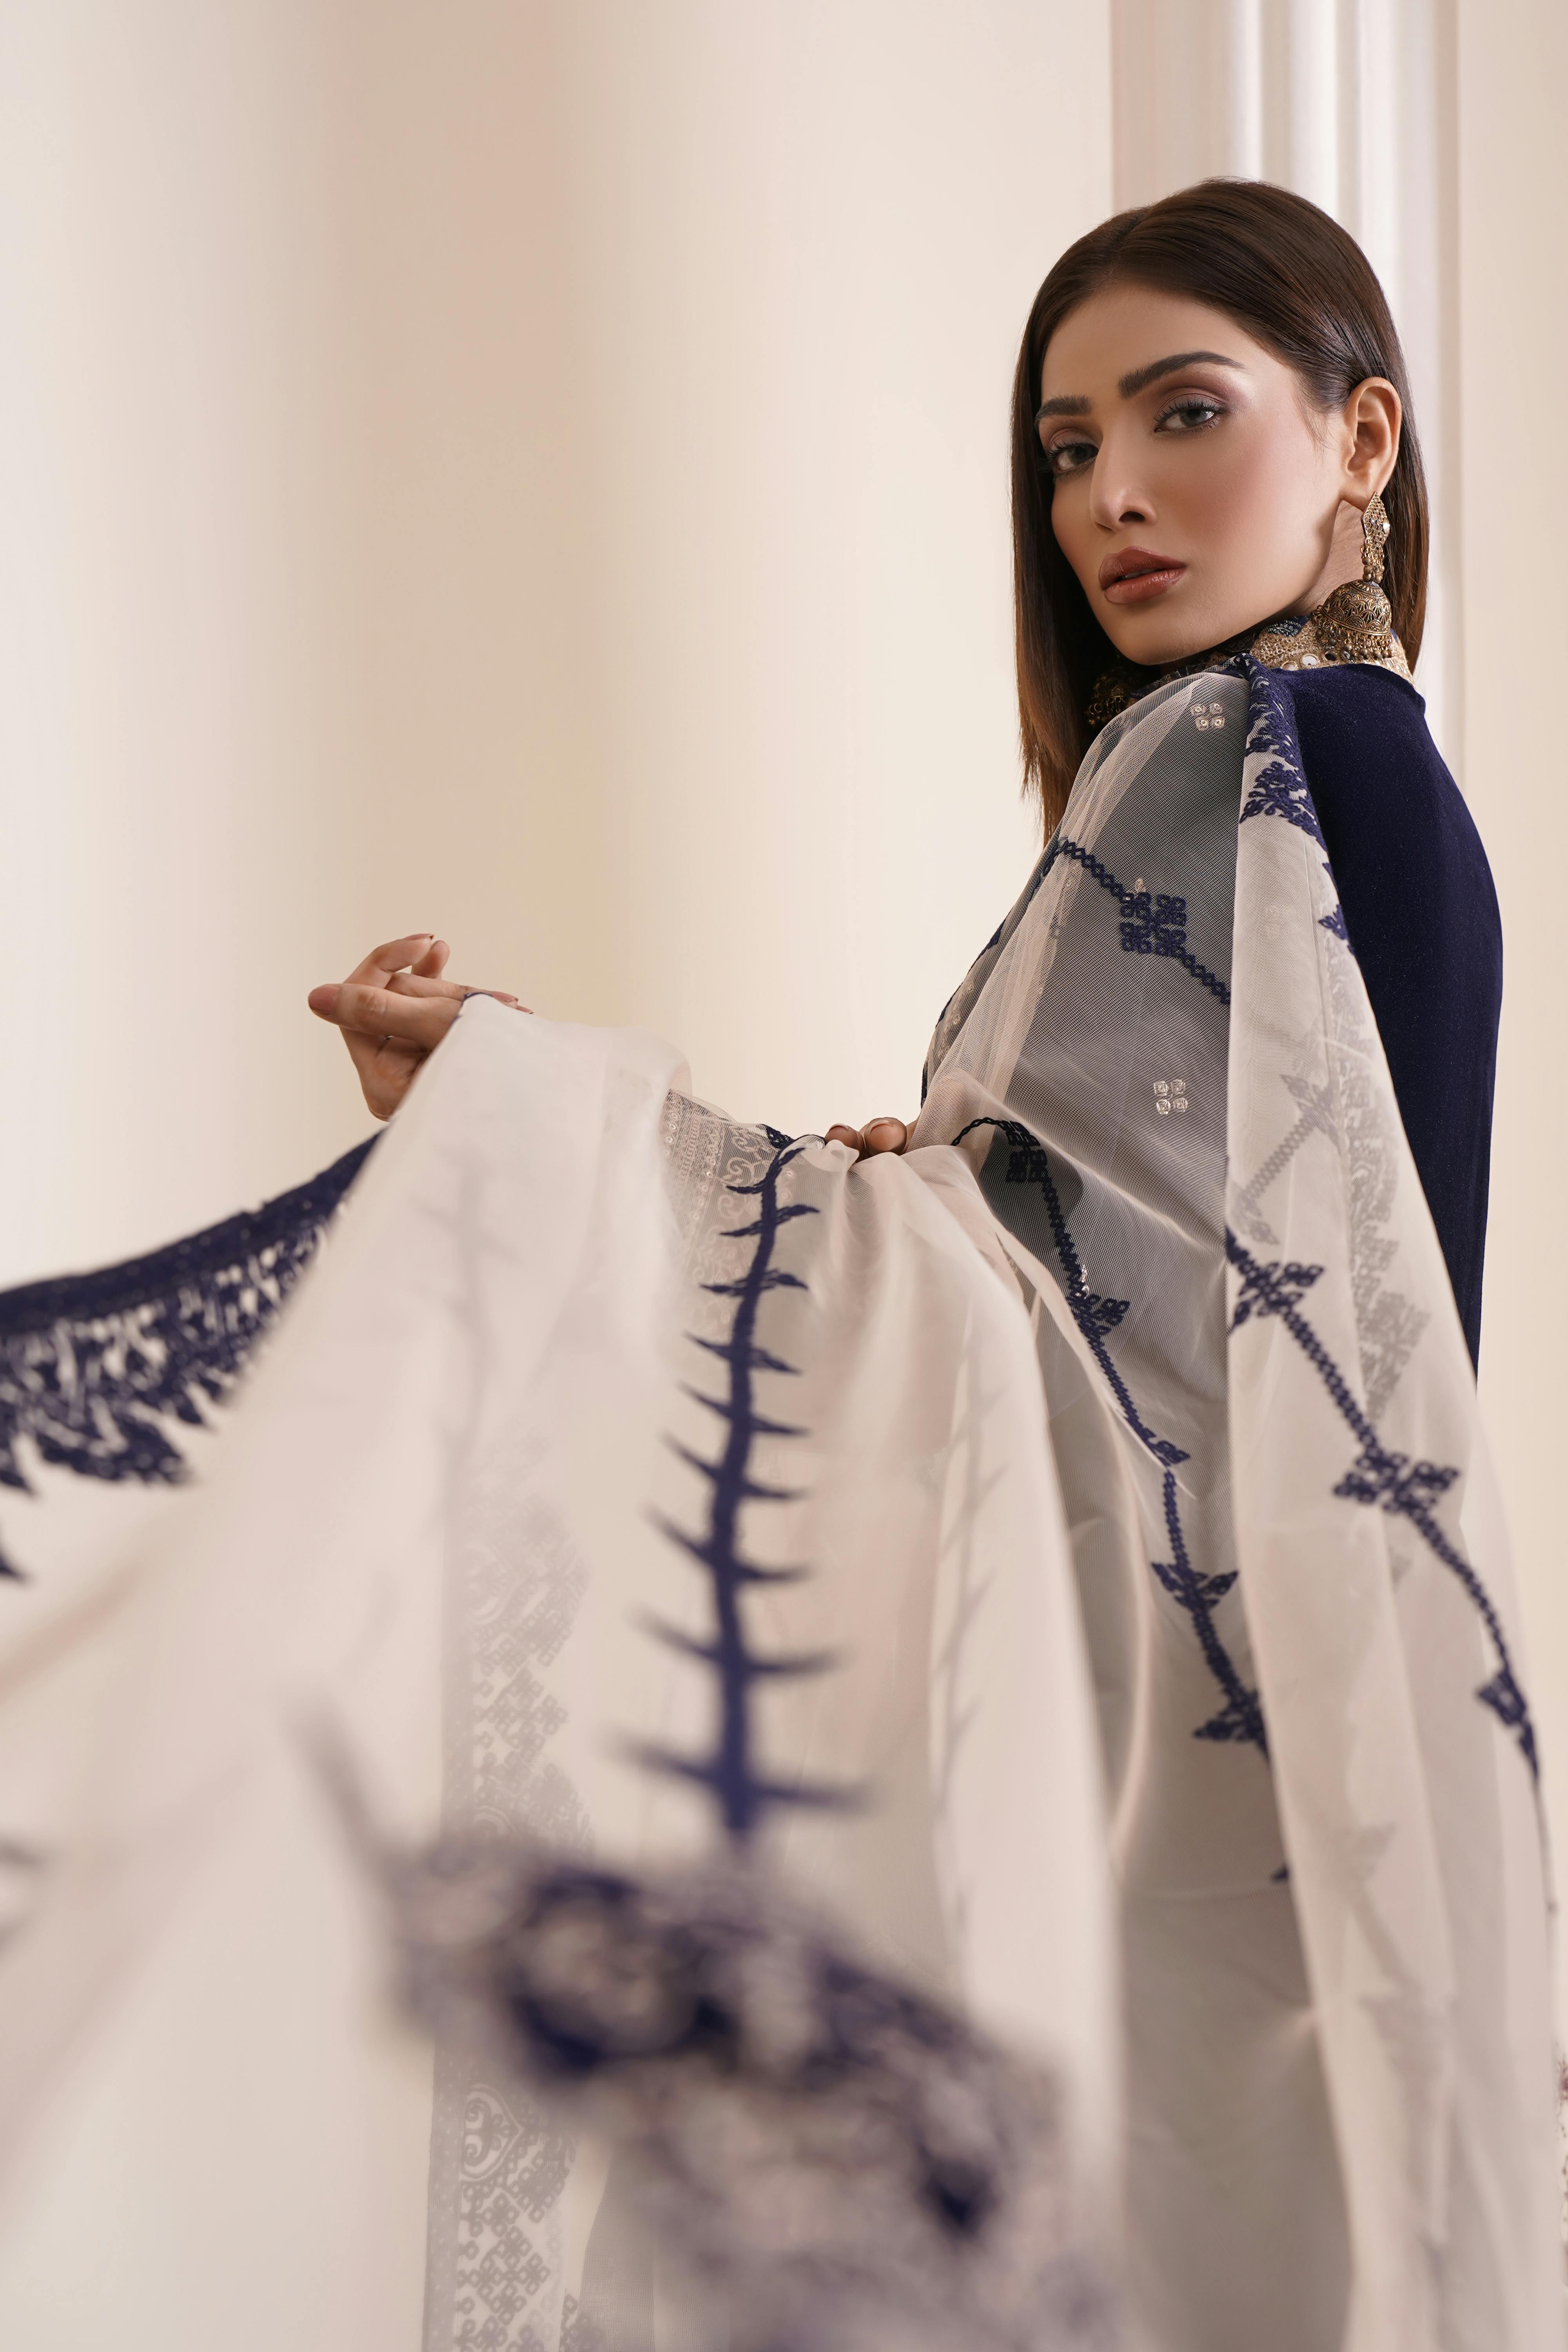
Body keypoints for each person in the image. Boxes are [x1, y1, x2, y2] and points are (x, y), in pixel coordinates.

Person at [0, 183, 1554, 2352]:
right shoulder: (1199, 780)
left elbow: (1335, 1363)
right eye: (1067, 445)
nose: (1110, 493)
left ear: (1363, 440)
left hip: (1207, 1767)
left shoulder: (1294, 760)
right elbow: (1138, 1284)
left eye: (1185, 414)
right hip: (1242, 1757)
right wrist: (720, 1149)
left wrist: (586, 1130)